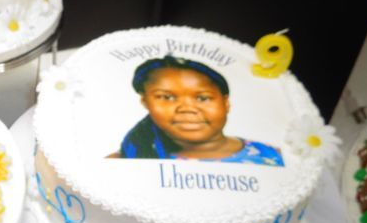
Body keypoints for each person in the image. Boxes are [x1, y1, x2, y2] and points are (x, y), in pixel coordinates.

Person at [113, 56, 284, 165]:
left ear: (226, 103)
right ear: (145, 102)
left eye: (202, 98)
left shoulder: (273, 156)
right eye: (167, 97)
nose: (187, 109)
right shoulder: (126, 161)